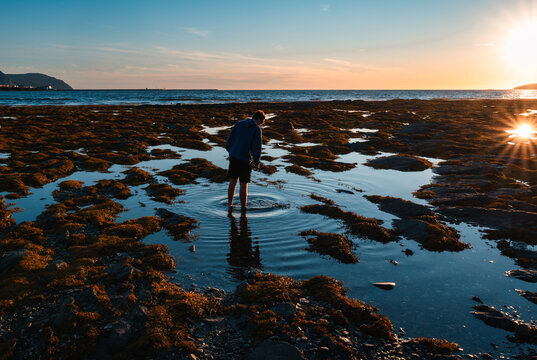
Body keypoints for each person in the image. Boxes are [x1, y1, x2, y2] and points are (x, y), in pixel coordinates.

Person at [225, 110, 266, 212]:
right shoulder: (256, 129)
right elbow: (257, 148)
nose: (260, 125)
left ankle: (230, 205)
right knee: (244, 184)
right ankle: (243, 208)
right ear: (259, 120)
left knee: (232, 181)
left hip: (233, 157)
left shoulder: (238, 124)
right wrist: (257, 162)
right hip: (244, 159)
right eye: (261, 123)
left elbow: (229, 141)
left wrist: (231, 151)